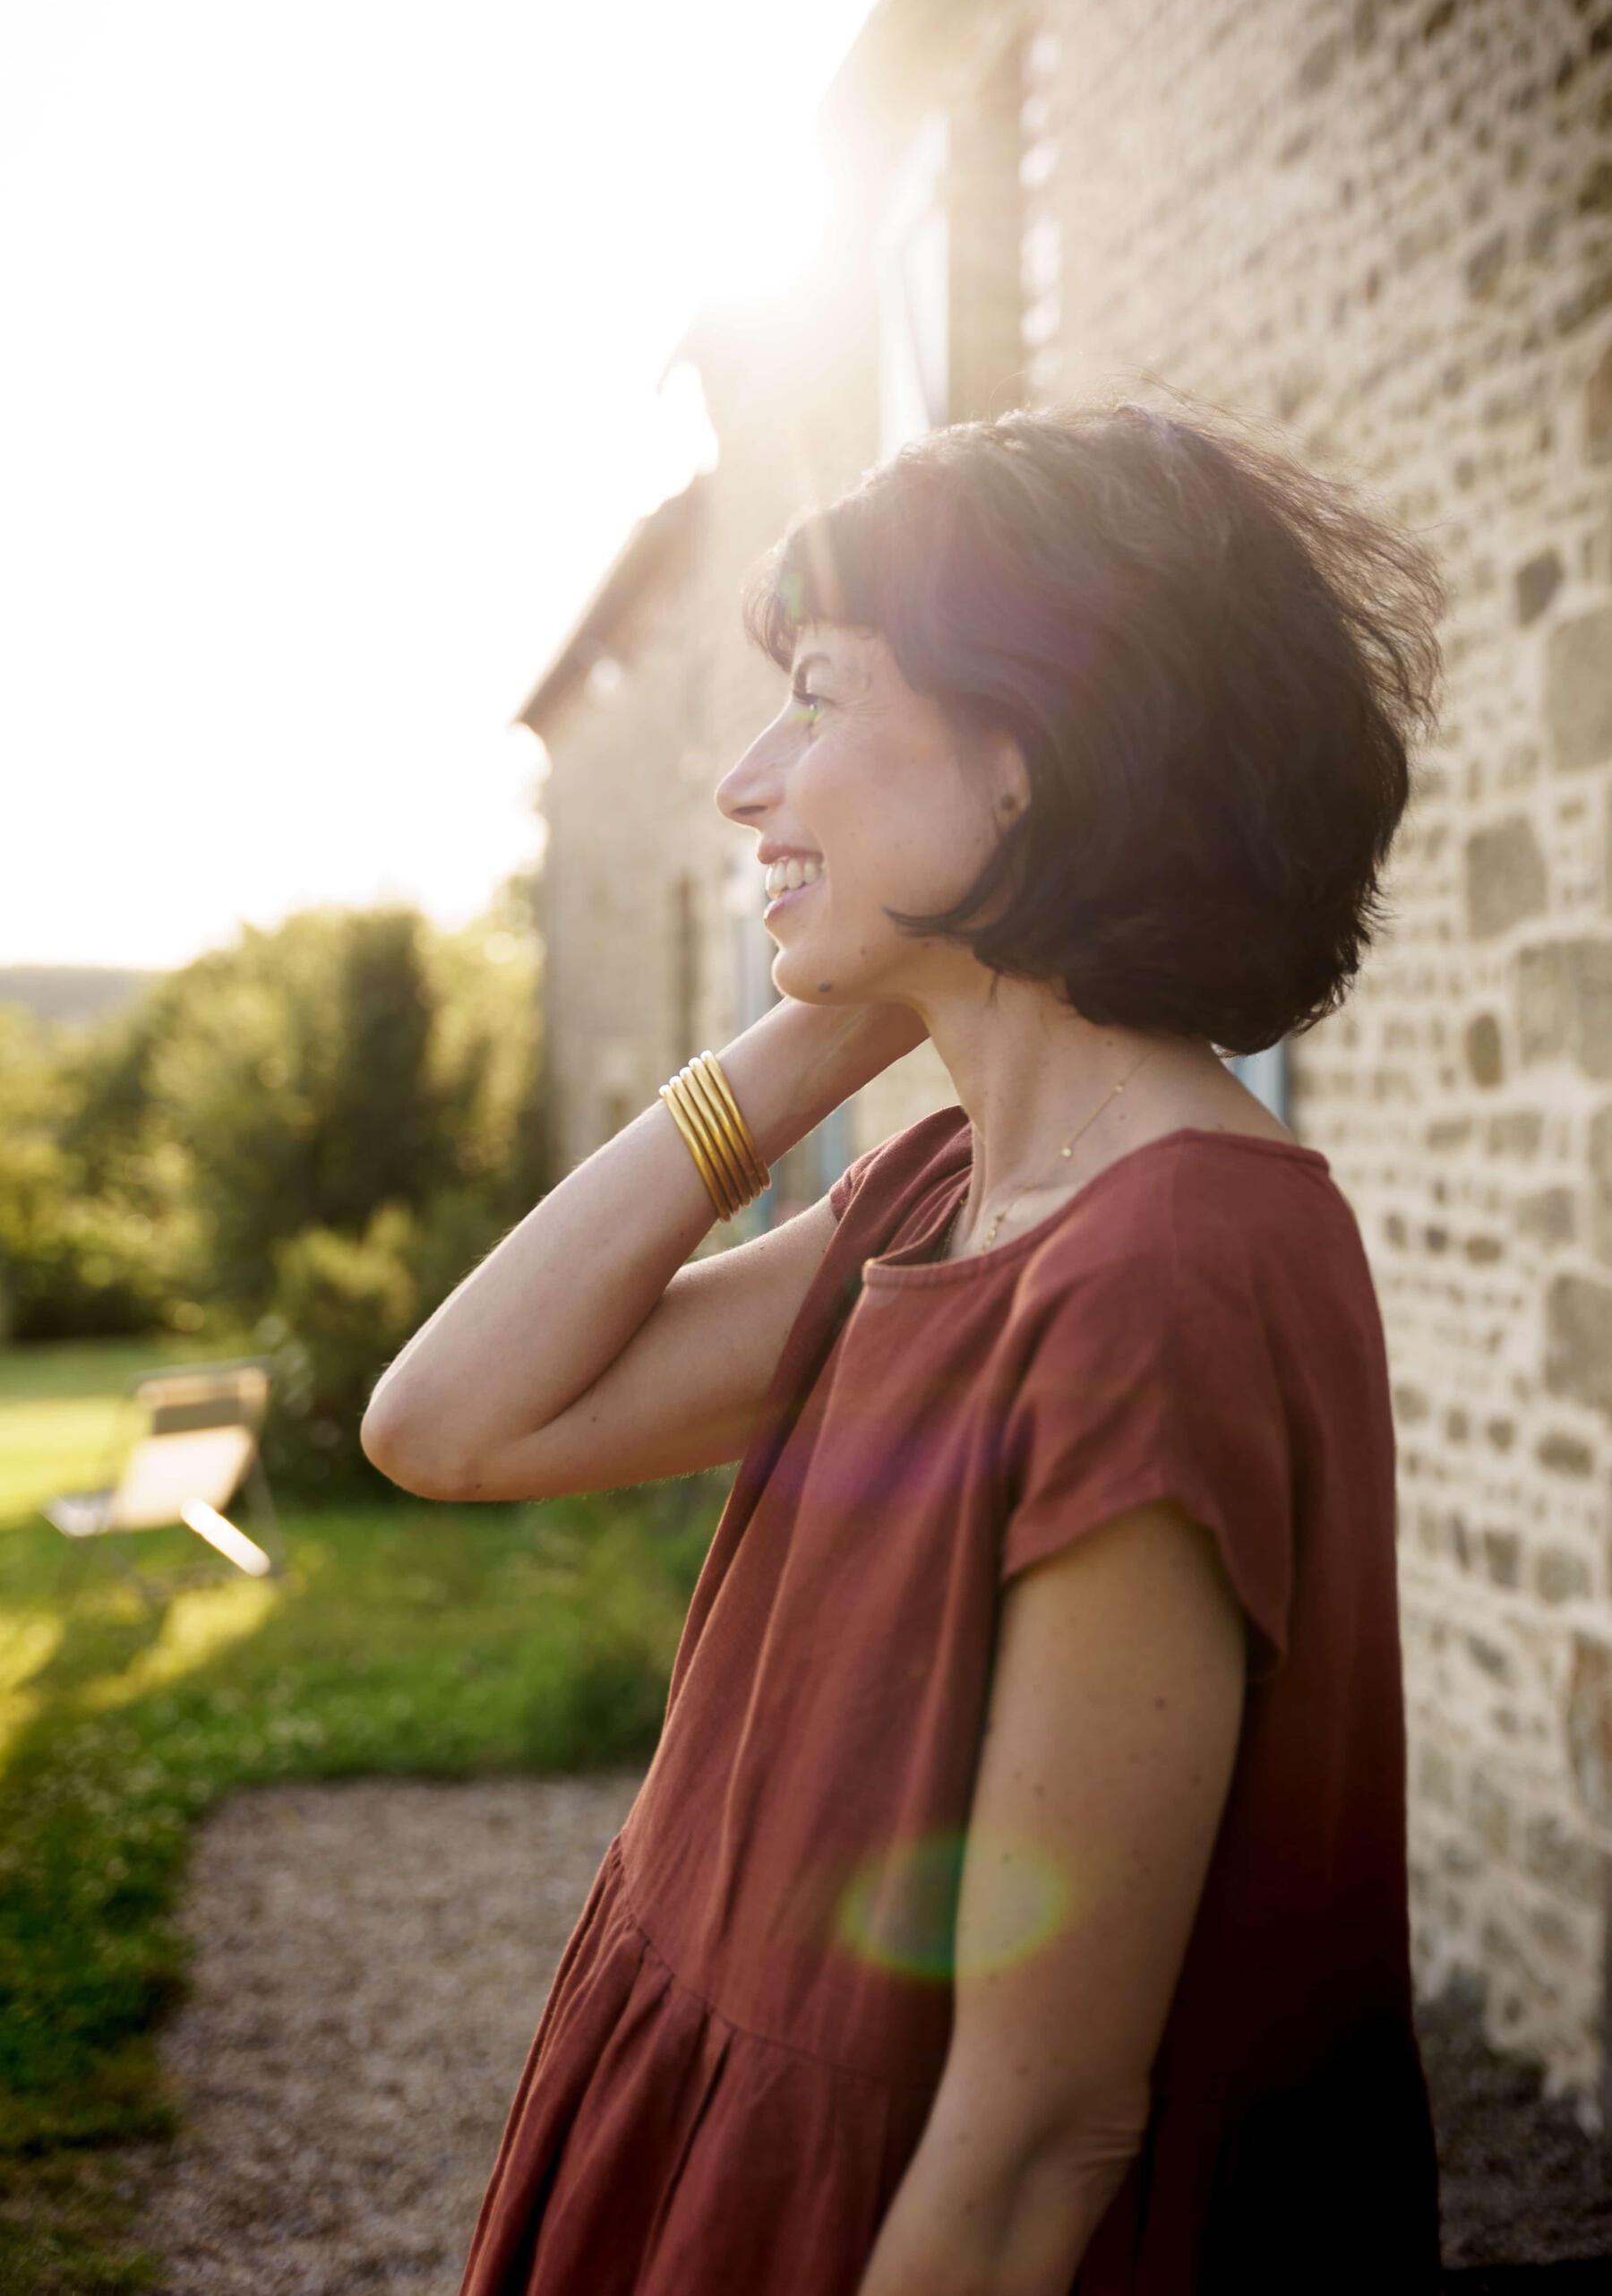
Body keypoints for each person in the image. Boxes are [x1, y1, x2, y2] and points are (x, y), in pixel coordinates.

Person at [362, 399, 1448, 2295]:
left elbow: (1043, 2137)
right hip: (710, 2170)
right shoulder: (937, 1193)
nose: (744, 783)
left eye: (821, 695)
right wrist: (827, 1025)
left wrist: (898, 954)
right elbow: (447, 1423)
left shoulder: (1173, 1264)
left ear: (1026, 757)